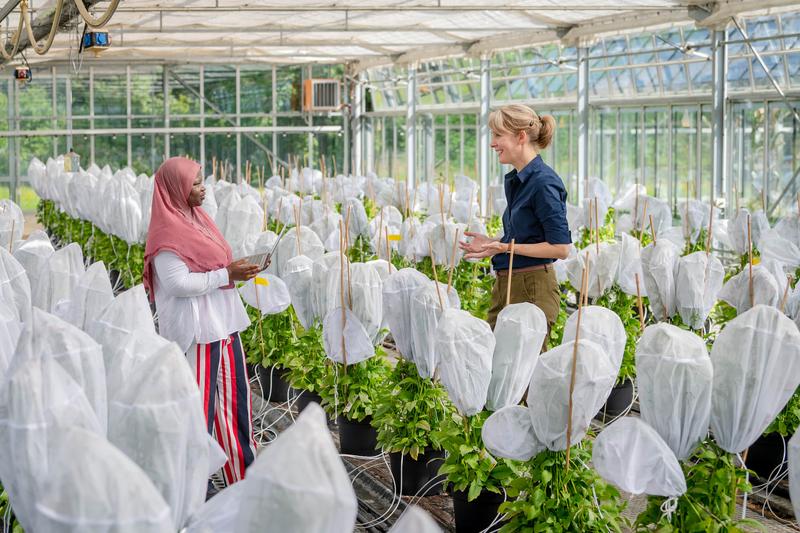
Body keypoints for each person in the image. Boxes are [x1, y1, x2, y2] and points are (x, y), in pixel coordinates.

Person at [143, 157, 262, 492]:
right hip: (199, 334)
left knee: (236, 405)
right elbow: (178, 284)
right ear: (177, 189)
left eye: (200, 180)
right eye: (195, 183)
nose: (202, 187)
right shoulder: (167, 233)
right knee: (197, 414)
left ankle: (243, 482)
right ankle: (187, 489)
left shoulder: (200, 220)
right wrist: (227, 274)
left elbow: (215, 266)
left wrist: (236, 270)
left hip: (224, 326)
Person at [460, 104, 571, 339]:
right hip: (509, 281)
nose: (492, 143)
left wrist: (505, 247)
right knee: (493, 362)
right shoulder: (519, 181)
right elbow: (529, 235)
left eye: (498, 135)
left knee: (521, 372)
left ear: (521, 137)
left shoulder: (543, 183)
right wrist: (493, 243)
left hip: (532, 288)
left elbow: (561, 248)